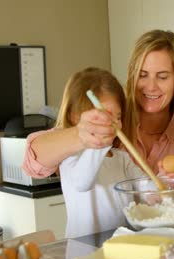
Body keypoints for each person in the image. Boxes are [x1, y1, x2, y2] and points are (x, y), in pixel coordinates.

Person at [23, 29, 174, 179]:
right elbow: (33, 164)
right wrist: (81, 135)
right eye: (142, 75)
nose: (151, 86)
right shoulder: (112, 121)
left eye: (162, 77)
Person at [33, 67, 148, 238]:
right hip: (84, 252)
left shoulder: (122, 158)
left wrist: (161, 189)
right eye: (105, 117)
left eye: (117, 117)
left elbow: (143, 185)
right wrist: (99, 144)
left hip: (121, 249)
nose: (114, 124)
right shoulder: (70, 158)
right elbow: (82, 183)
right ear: (75, 116)